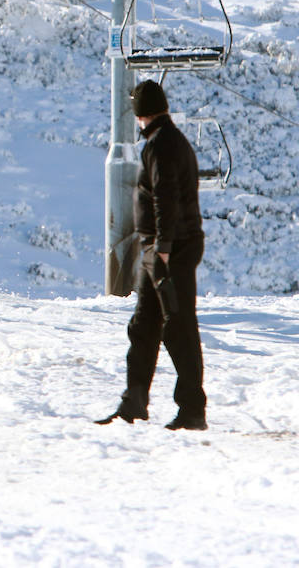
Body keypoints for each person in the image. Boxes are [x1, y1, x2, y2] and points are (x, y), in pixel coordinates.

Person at [97, 79, 208, 431]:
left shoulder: (160, 145)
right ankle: (134, 403)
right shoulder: (170, 140)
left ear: (140, 114)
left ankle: (191, 409)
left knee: (178, 328)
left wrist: (161, 249)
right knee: (145, 326)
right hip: (166, 247)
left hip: (167, 250)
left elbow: (165, 197)